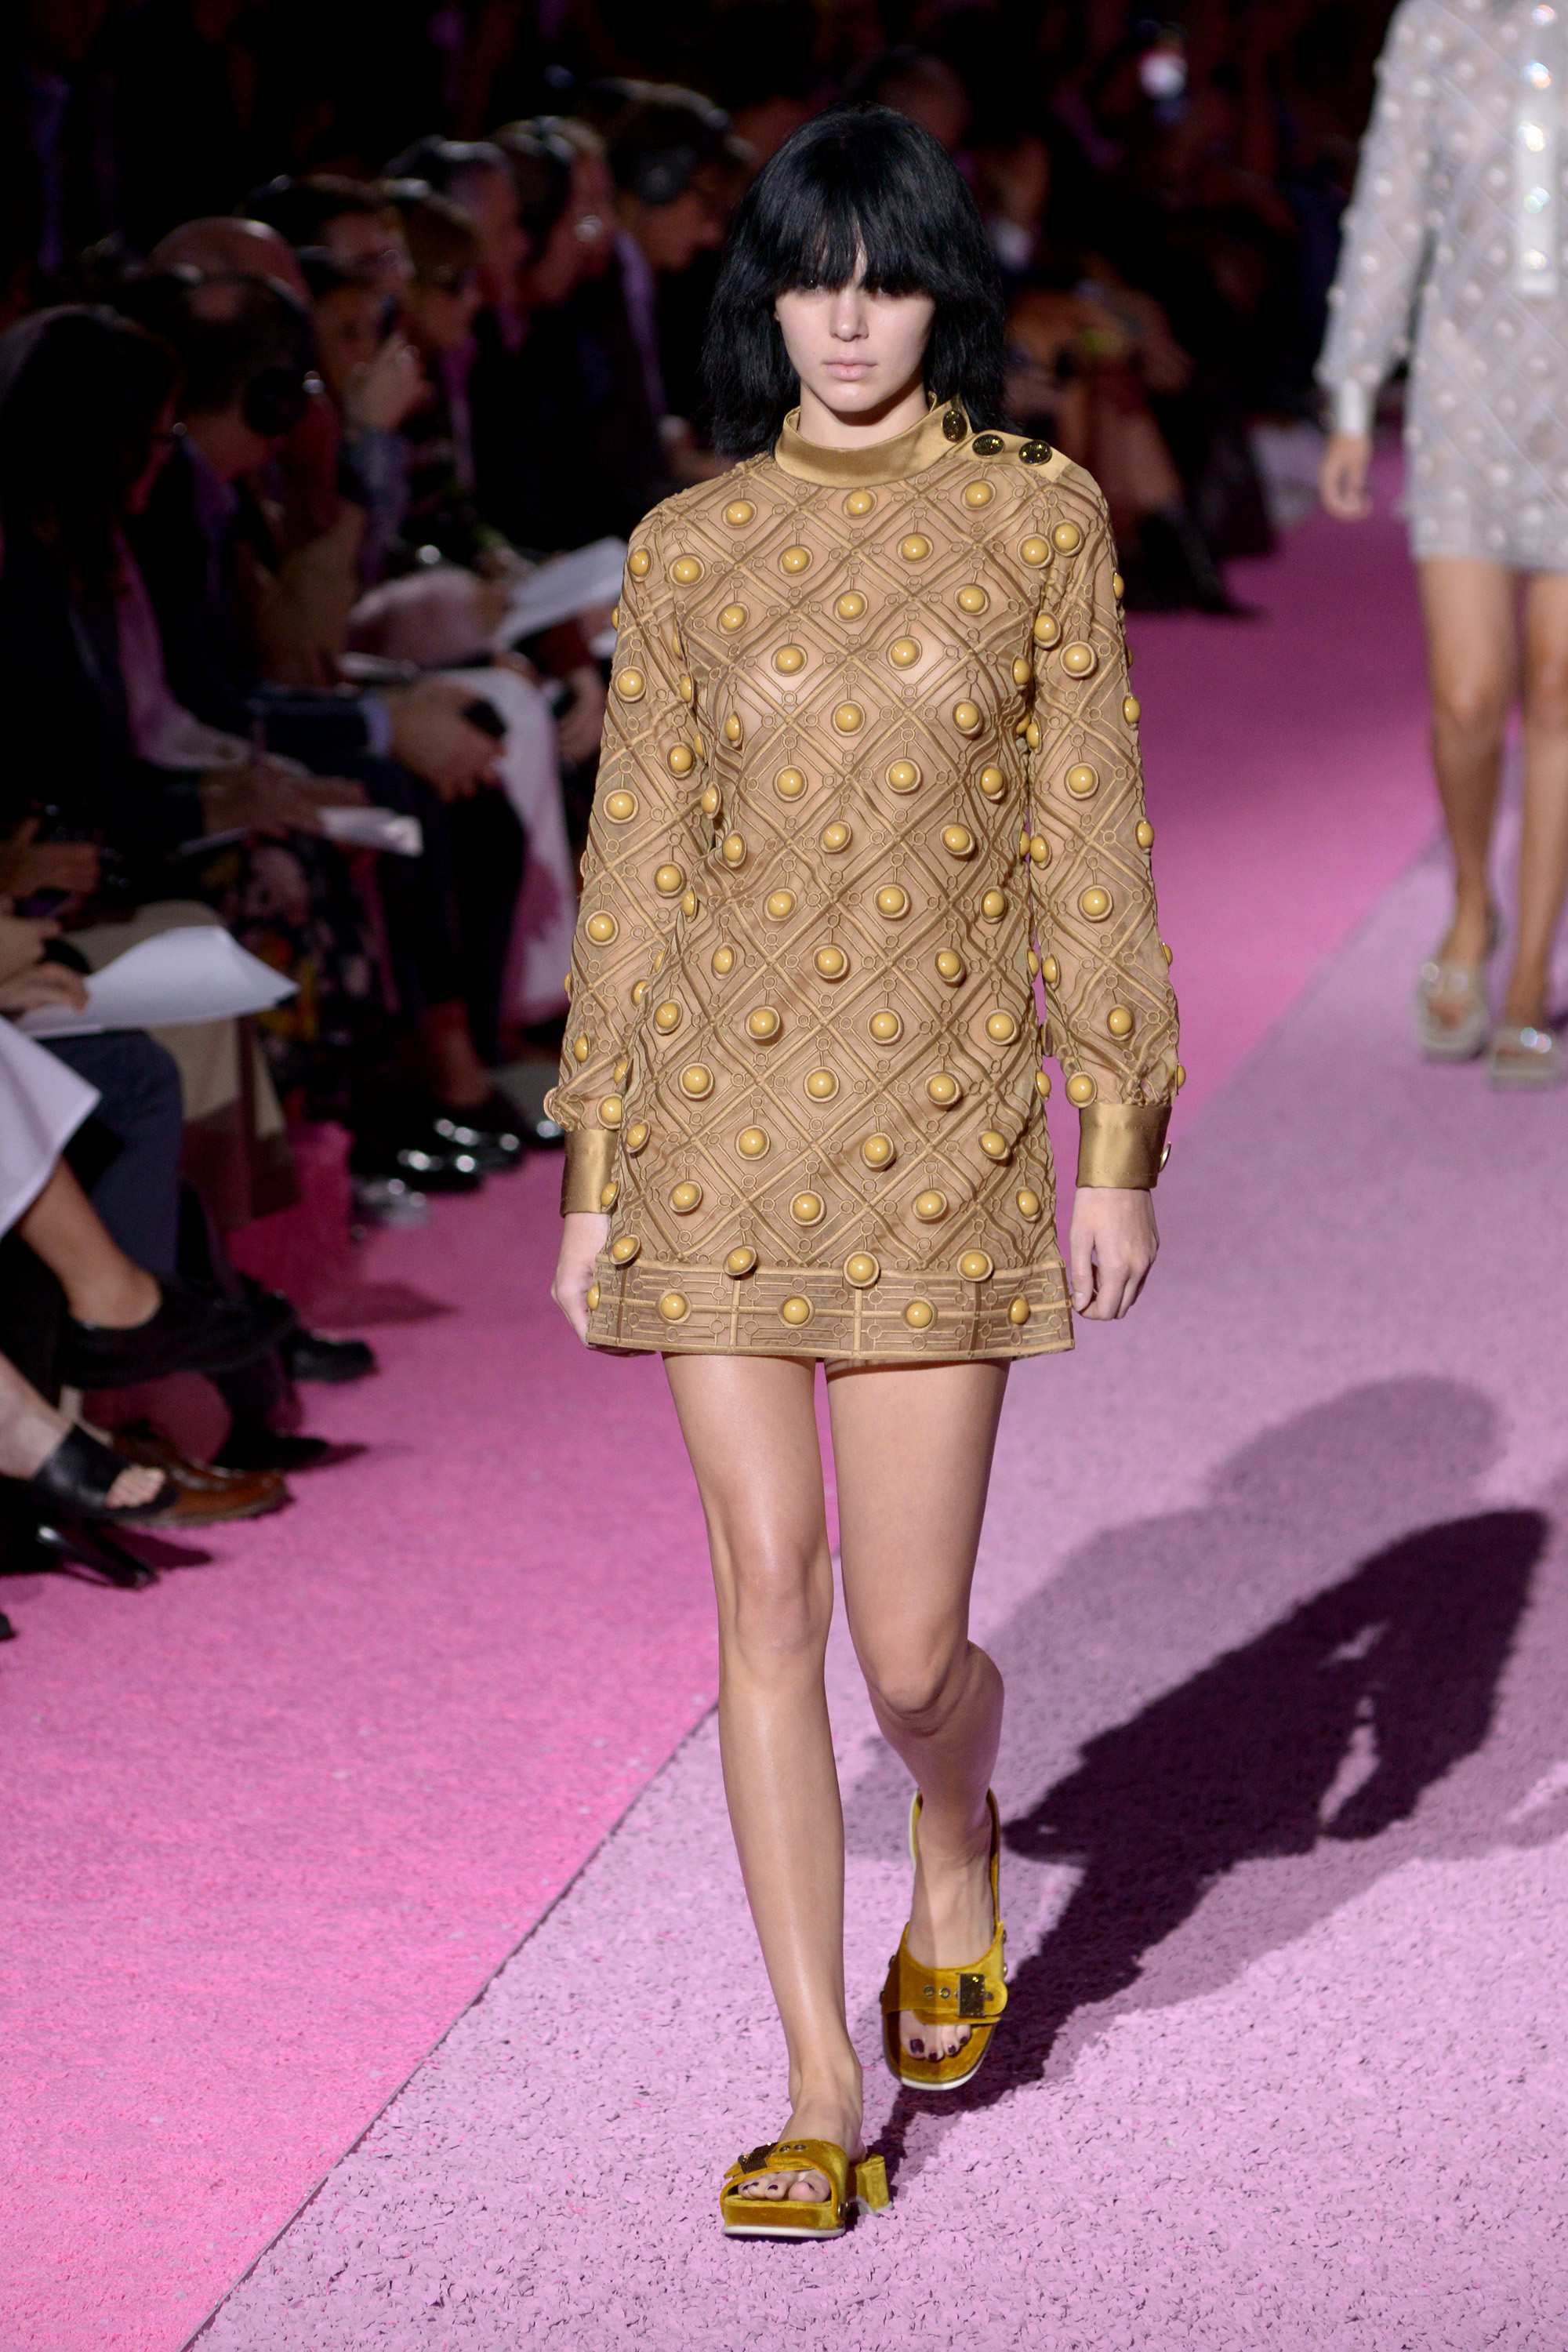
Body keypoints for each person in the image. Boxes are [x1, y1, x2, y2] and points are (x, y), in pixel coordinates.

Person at [547, 105, 1178, 2234]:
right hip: (717, 1134)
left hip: (940, 1134)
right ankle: (819, 2079)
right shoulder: (689, 547)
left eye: (886, 280)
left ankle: (959, 1822)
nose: (846, 320)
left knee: (910, 1663)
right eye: (812, 282)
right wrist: (595, 1163)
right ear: (765, 301)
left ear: (939, 298)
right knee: (764, 1595)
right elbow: (637, 866)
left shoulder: (1034, 521)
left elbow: (1088, 838)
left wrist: (1116, 1133)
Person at [1318, 0, 1568, 1084]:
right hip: (1466, 389)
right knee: (1468, 693)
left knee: (1561, 683)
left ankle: (1529, 980)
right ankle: (1474, 900)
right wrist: (1351, 393)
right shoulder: (1433, 22)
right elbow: (1389, 209)